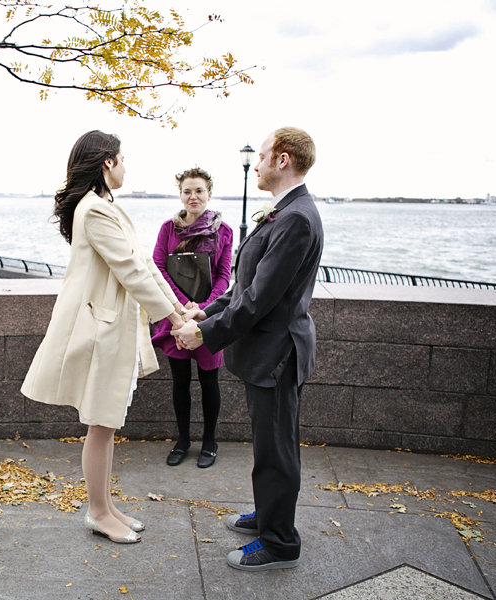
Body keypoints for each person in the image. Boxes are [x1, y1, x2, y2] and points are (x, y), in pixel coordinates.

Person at [21, 130, 187, 545]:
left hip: (114, 328)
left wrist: (179, 311)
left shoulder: (104, 206)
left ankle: (106, 507)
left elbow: (144, 266)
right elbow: (131, 272)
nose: (126, 166)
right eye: (122, 158)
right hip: (103, 330)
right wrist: (175, 320)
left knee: (107, 424)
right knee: (101, 423)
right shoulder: (94, 210)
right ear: (107, 163)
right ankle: (97, 511)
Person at [173, 127, 324, 571]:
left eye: (260, 156)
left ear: (282, 160)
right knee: (269, 444)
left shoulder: (296, 217)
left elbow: (260, 300)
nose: (254, 164)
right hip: (267, 353)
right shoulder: (285, 211)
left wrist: (205, 335)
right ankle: (269, 514)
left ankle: (279, 543)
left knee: (277, 450)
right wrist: (207, 311)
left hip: (277, 355)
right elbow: (244, 286)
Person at [150, 168, 233, 468]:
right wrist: (183, 306)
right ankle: (183, 440)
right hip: (176, 317)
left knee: (210, 382)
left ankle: (210, 441)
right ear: (180, 194)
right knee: (180, 381)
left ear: (209, 194)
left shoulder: (224, 231)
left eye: (199, 190)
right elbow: (158, 268)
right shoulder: (167, 229)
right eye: (187, 191)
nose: (193, 196)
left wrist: (204, 309)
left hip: (207, 318)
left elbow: (225, 276)